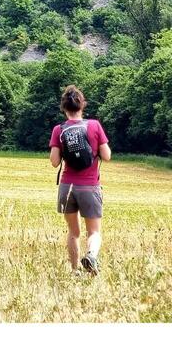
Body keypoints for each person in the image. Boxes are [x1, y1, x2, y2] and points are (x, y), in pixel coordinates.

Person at [49, 85, 111, 275]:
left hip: (67, 186)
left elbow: (54, 162)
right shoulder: (94, 125)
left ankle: (75, 271)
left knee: (73, 232)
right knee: (94, 232)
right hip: (89, 186)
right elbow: (107, 156)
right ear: (82, 105)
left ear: (64, 107)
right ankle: (91, 256)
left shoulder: (58, 129)